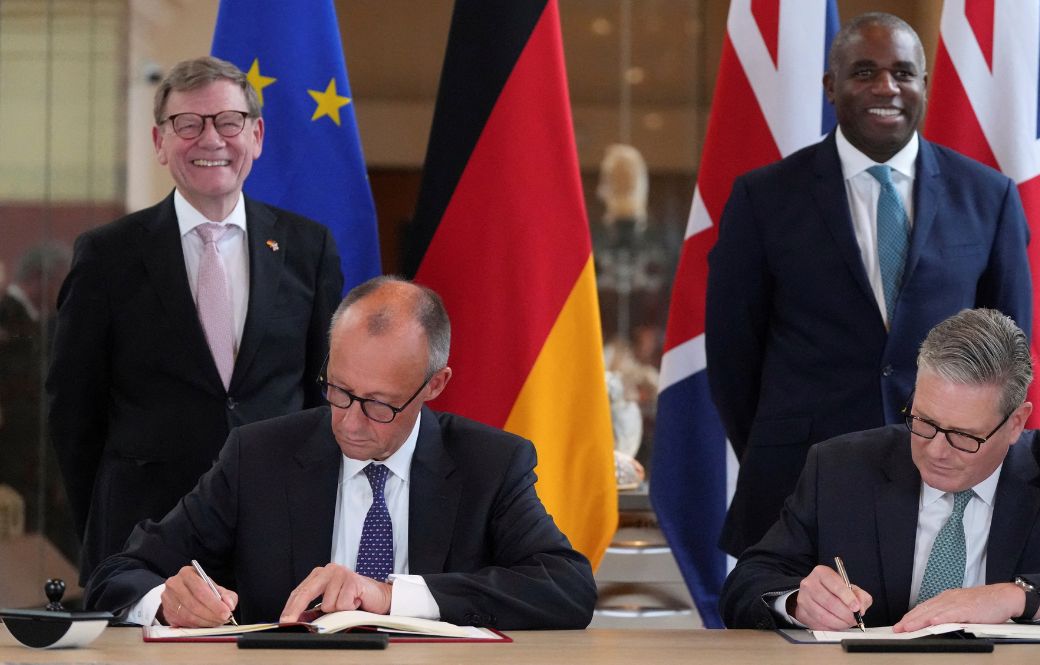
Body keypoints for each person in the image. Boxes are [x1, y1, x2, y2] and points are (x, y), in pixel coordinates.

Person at [83, 277, 596, 630]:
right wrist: (165, 602)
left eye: (379, 405)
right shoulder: (258, 455)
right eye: (339, 390)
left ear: (435, 385)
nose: (349, 423)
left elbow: (567, 587)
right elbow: (119, 574)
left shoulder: (490, 464)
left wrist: (389, 597)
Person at [707, 12, 1034, 557]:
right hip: (796, 483)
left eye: (903, 73)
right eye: (864, 72)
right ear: (830, 86)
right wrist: (776, 441)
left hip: (948, 477)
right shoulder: (763, 198)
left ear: (923, 85)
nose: (886, 87)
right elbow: (732, 357)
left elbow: (1010, 352)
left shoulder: (988, 196)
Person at [47, 56, 343, 585]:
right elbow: (73, 411)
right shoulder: (107, 255)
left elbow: (325, 395)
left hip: (277, 531)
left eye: (229, 121)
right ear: (159, 142)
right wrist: (101, 525)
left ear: (256, 135)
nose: (211, 139)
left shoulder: (308, 248)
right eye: (188, 124)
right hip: (141, 538)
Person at [720, 309, 1040, 634]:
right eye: (924, 422)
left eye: (964, 436)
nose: (936, 450)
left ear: (1016, 423)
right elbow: (748, 581)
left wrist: (1018, 597)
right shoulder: (841, 468)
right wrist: (797, 603)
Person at [0, 243, 74, 561]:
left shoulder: (35, 326)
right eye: (63, 281)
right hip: (19, 472)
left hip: (37, 473)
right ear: (43, 278)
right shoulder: (10, 321)